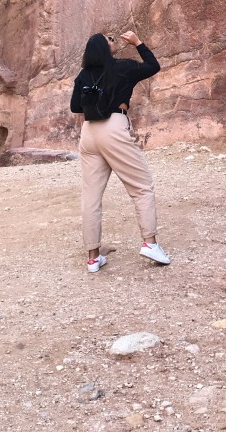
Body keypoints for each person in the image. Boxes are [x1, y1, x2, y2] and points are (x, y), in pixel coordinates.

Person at [71, 30, 170, 273]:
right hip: (114, 128)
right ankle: (150, 243)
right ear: (106, 48)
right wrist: (138, 43)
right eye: (111, 39)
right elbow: (153, 66)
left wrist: (96, 97)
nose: (114, 41)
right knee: (141, 186)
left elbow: (75, 106)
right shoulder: (123, 67)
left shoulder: (83, 75)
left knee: (91, 196)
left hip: (89, 133)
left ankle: (93, 258)